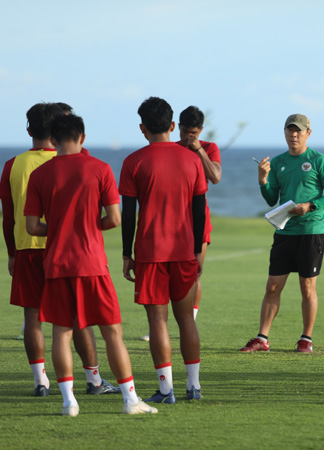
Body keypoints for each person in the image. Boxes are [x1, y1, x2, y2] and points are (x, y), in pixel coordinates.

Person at [24, 113, 157, 416]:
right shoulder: (100, 168)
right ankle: (130, 400)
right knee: (112, 333)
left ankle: (69, 401)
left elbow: (32, 227)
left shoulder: (40, 175)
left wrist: (58, 228)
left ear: (53, 140)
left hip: (57, 264)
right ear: (82, 138)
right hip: (92, 263)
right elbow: (114, 218)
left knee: (61, 332)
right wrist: (87, 224)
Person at [0, 103, 119, 398]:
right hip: (68, 252)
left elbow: (9, 215)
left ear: (29, 131)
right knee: (75, 318)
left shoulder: (12, 165)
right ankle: (93, 379)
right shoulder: (77, 160)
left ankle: (41, 381)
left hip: (28, 247)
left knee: (32, 319)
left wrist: (12, 253)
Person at [120, 97, 207, 404]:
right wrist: (197, 250)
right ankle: (193, 387)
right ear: (173, 126)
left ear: (143, 128)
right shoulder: (193, 160)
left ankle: (166, 390)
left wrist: (126, 254)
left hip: (149, 253)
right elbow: (200, 210)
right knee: (187, 320)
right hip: (184, 251)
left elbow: (128, 213)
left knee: (157, 322)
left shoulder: (133, 162)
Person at [240, 113, 324, 353]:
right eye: (290, 130)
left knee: (307, 287)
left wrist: (310, 205)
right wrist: (263, 179)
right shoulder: (278, 162)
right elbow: (272, 199)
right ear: (284, 132)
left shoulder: (318, 160)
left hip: (311, 230)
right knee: (273, 286)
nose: (294, 135)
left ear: (308, 133)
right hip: (285, 231)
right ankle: (262, 338)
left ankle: (306, 339)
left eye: (299, 131)